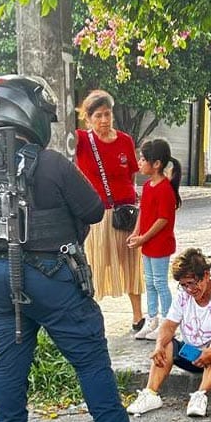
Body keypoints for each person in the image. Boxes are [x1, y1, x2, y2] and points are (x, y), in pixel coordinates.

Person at [0, 75, 165, 422]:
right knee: (90, 362)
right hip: (50, 276)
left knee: (6, 366)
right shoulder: (51, 163)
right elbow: (91, 210)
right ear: (30, 116)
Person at [127, 248, 211, 418]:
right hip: (194, 354)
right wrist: (159, 345)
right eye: (184, 285)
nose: (189, 289)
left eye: (192, 283)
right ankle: (150, 394)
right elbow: (168, 325)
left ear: (206, 275)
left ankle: (200, 395)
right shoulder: (183, 297)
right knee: (167, 343)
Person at [75, 90, 146, 331]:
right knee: (95, 265)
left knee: (131, 264)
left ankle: (138, 316)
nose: (104, 120)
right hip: (97, 214)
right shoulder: (82, 141)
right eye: (98, 116)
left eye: (107, 114)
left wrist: (133, 200)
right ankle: (92, 317)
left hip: (125, 213)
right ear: (88, 119)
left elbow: (132, 174)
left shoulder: (125, 140)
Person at [127, 138, 182, 340]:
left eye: (143, 159)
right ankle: (153, 319)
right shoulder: (149, 186)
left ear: (156, 164)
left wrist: (143, 238)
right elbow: (143, 212)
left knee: (159, 282)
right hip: (147, 244)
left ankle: (168, 323)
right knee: (149, 282)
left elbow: (163, 220)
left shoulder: (165, 188)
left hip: (160, 245)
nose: (139, 163)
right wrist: (136, 233)